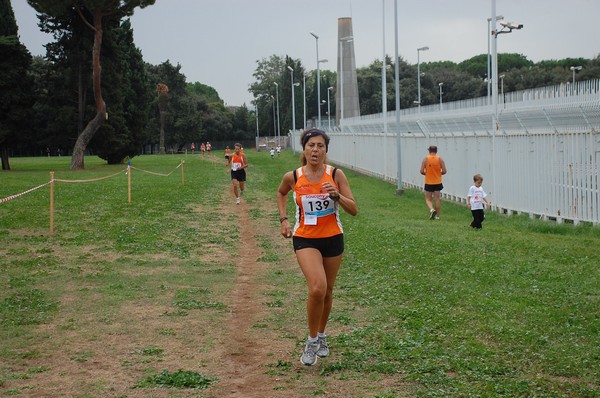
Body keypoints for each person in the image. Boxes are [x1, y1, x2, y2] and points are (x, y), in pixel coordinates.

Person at [277, 128, 358, 366]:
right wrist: (283, 220)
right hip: (305, 238)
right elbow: (281, 194)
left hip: (333, 237)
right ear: (304, 148)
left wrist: (337, 197)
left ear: (326, 150)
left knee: (328, 291)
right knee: (317, 288)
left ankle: (322, 335)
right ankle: (311, 341)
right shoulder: (293, 176)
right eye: (311, 145)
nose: (315, 150)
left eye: (320, 146)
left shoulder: (336, 175)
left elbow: (353, 209)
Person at [420, 145, 447, 220]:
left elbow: (421, 171)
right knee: (437, 199)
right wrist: (438, 174)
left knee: (428, 199)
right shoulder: (440, 159)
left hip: (429, 182)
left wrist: (427, 174)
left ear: (429, 151)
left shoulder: (425, 159)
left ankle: (432, 209)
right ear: (436, 151)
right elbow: (444, 171)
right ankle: (437, 216)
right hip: (437, 182)